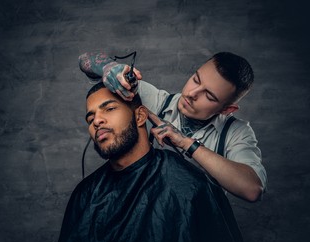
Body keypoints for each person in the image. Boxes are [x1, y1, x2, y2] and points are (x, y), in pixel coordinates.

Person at [55, 82, 248, 242]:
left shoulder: (191, 186)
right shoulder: (85, 194)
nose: (97, 121)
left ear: (140, 116)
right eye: (90, 118)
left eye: (110, 109)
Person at [78, 51, 267, 202]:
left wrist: (187, 143)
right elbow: (84, 59)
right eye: (196, 79)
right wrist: (110, 68)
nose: (192, 93)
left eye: (209, 96)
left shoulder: (236, 133)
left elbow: (252, 190)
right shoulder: (151, 99)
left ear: (227, 109)